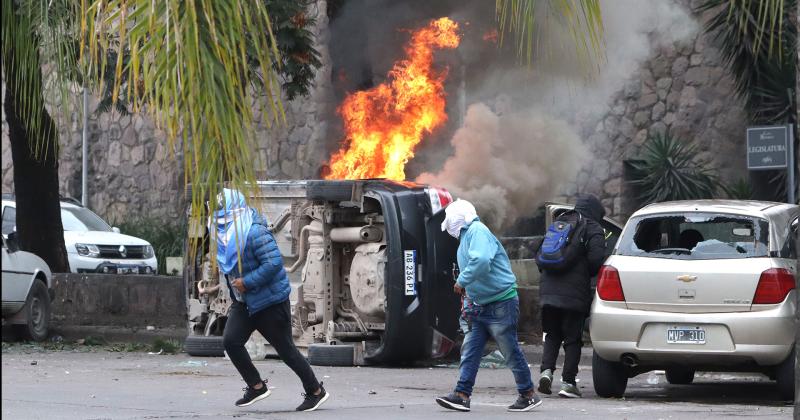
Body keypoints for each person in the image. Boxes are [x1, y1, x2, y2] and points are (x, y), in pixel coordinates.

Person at [214, 188, 329, 411]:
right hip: (245, 302)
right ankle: (256, 386)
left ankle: (315, 391)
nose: (218, 215)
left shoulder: (254, 232)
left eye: (222, 210)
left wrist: (247, 282)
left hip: (270, 302)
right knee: (231, 342)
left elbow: (273, 264)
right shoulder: (227, 233)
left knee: (285, 350)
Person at [435, 199, 542, 413]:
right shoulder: (469, 235)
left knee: (509, 350)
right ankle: (461, 395)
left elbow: (481, 261)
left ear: (458, 219)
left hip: (500, 303)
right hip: (481, 305)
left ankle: (528, 394)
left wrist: (462, 282)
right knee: (471, 351)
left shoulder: (477, 231)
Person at [538, 195, 607, 398]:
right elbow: (595, 260)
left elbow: (541, 254)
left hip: (548, 291)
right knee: (572, 339)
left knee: (552, 334)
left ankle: (546, 372)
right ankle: (568, 383)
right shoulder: (593, 228)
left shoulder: (560, 222)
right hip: (574, 294)